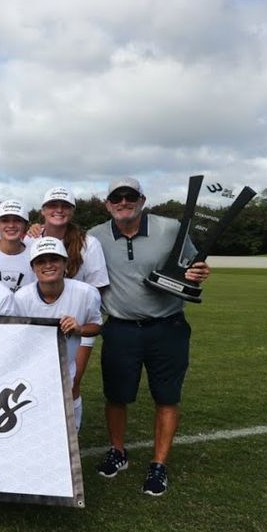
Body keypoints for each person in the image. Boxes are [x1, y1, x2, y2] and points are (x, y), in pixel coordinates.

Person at [88, 176, 211, 496]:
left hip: (167, 327)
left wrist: (198, 272)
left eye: (130, 196)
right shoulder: (94, 236)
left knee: (167, 396)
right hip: (120, 328)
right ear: (107, 204)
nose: (123, 202)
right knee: (116, 396)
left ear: (142, 200)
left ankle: (159, 464)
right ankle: (118, 451)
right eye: (117, 197)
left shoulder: (170, 229)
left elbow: (194, 266)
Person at [11, 237, 102, 431]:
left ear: (65, 263)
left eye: (54, 259)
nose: (48, 265)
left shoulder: (86, 293)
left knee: (67, 408)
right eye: (41, 261)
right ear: (33, 267)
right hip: (31, 369)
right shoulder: (21, 298)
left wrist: (79, 329)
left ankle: (73, 437)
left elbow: (96, 325)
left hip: (65, 367)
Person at [38, 186, 110, 414]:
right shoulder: (32, 239)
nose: (58, 210)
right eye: (53, 205)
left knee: (71, 385)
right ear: (43, 210)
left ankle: (71, 436)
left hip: (78, 327)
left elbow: (96, 289)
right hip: (40, 326)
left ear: (72, 211)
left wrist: (79, 325)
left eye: (65, 206)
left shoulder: (89, 243)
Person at [0, 200, 35, 293]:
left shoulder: (34, 254)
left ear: (26, 225)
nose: (11, 225)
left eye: (17, 220)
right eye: (5, 221)